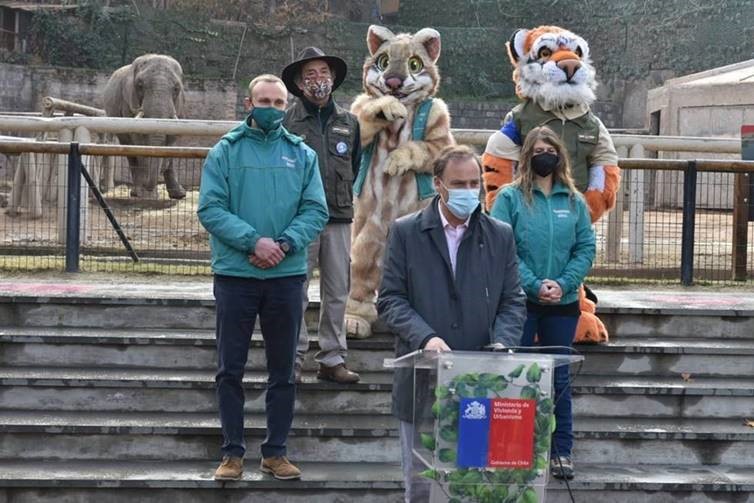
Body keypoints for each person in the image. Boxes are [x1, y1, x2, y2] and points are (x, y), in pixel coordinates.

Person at [377, 145, 527, 502]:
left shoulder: (499, 234)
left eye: (474, 183)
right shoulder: (406, 232)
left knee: (473, 479)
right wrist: (425, 338)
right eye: (458, 183)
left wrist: (503, 340)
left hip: (481, 380)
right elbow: (390, 299)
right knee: (422, 482)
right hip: (423, 377)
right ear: (438, 184)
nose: (468, 191)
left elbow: (513, 299)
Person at [197, 74, 328, 482]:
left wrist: (285, 244)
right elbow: (210, 208)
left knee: (283, 369)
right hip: (236, 274)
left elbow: (316, 210)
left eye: (278, 101)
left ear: (287, 105)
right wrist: (254, 242)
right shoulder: (224, 152)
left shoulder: (302, 155)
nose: (271, 107)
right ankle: (232, 453)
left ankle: (275, 452)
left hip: (286, 276)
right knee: (229, 369)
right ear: (248, 103)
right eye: (264, 100)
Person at [489, 126, 596, 480]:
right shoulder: (509, 198)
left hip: (563, 303)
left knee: (559, 377)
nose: (543, 156)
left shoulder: (574, 200)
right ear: (526, 157)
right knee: (515, 373)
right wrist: (534, 285)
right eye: (536, 150)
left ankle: (561, 450)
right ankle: (510, 447)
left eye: (549, 149)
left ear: (560, 155)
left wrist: (563, 283)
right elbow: (505, 248)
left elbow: (585, 248)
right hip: (521, 302)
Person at [281, 47, 362, 384]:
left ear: (333, 79)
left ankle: (332, 358)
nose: (319, 80)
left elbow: (353, 166)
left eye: (324, 73)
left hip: (339, 218)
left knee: (337, 290)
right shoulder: (288, 120)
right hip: (300, 220)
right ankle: (293, 360)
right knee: (296, 290)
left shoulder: (349, 122)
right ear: (299, 84)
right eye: (310, 75)